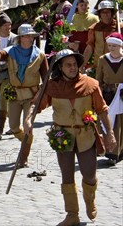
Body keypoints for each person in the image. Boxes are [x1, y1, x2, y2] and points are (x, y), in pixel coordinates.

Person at [24, 49, 116, 226]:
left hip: (86, 135)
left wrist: (109, 134)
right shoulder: (51, 86)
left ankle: (90, 200)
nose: (73, 68)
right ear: (60, 67)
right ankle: (72, 214)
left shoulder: (91, 85)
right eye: (69, 65)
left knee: (89, 175)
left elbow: (102, 111)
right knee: (67, 176)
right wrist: (28, 121)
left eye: (75, 64)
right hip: (62, 135)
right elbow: (35, 105)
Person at [0, 24, 48, 167]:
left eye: (31, 36)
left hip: (31, 96)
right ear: (21, 38)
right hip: (15, 94)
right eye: (26, 36)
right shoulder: (11, 51)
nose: (29, 39)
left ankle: (23, 157)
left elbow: (46, 77)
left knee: (27, 125)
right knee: (14, 126)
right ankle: (26, 141)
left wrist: (42, 95)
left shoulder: (40, 55)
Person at [95, 33, 123, 165]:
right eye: (109, 45)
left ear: (120, 46)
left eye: (114, 46)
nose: (111, 48)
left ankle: (118, 152)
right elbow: (98, 80)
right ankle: (108, 150)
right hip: (107, 94)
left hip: (121, 95)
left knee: (119, 123)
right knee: (108, 122)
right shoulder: (103, 59)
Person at [0, 13, 17, 140]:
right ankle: (14, 126)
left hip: (10, 74)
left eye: (9, 25)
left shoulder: (15, 39)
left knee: (3, 99)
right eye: (5, 25)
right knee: (10, 100)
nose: (8, 27)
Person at [83, 0, 121, 69]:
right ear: (100, 14)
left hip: (116, 65)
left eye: (108, 12)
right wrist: (83, 63)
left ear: (112, 13)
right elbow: (90, 47)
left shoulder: (119, 27)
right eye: (103, 12)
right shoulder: (94, 28)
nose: (105, 14)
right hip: (98, 65)